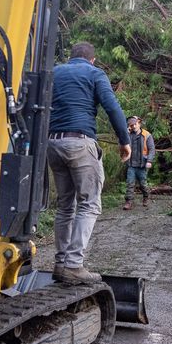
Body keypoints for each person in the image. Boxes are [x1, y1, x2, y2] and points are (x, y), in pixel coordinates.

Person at [47, 41, 131, 284]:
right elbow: (112, 107)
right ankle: (73, 264)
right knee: (90, 204)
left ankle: (61, 263)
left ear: (72, 57)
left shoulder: (55, 72)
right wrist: (124, 140)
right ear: (92, 60)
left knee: (65, 206)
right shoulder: (95, 73)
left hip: (53, 142)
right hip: (79, 143)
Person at [123, 116, 155, 210]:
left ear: (139, 123)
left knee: (143, 184)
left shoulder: (147, 135)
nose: (133, 126)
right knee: (130, 183)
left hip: (142, 164)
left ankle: (146, 197)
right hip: (131, 164)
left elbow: (152, 149)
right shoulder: (128, 135)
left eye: (135, 124)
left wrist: (149, 160)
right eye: (131, 125)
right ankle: (129, 202)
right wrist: (125, 134)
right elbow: (121, 145)